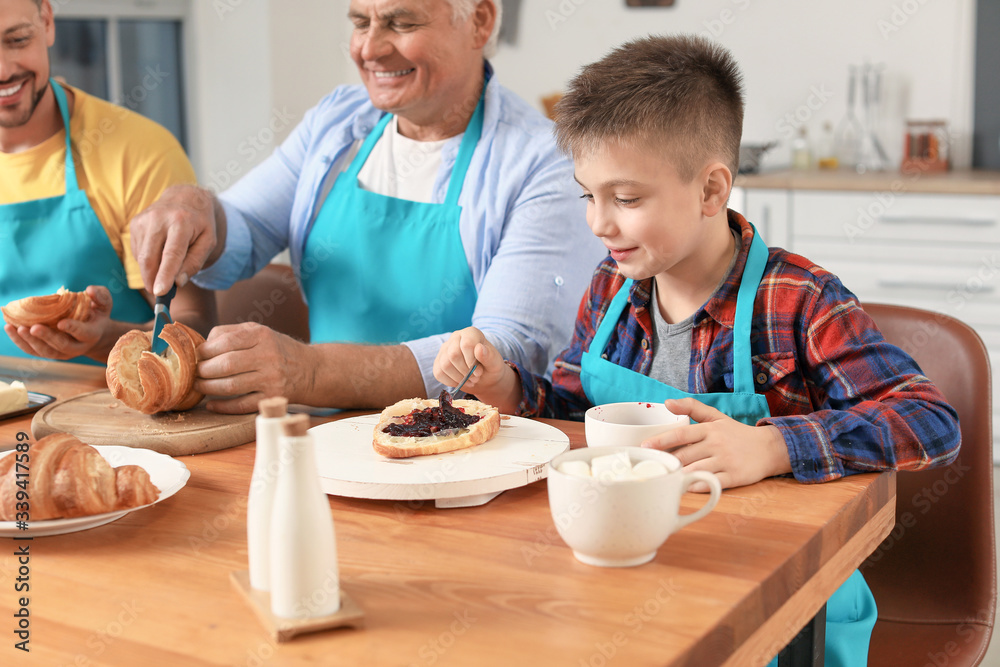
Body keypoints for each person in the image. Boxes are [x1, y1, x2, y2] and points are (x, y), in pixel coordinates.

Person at [432, 35, 960, 666]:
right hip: (644, 579)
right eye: (588, 195)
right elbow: (573, 408)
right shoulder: (612, 286)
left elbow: (931, 423)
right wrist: (509, 391)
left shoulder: (797, 299)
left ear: (712, 192)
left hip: (782, 595)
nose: (599, 224)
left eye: (626, 199)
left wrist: (773, 444)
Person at [129, 0, 604, 414]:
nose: (369, 49)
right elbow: (245, 226)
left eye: (400, 23)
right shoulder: (338, 121)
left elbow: (509, 350)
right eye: (360, 22)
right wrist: (193, 206)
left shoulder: (544, 159)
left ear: (480, 21)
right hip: (323, 437)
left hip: (468, 452)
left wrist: (308, 373)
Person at [0, 0, 214, 365]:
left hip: (114, 413)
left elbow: (198, 325)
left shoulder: (140, 151)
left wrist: (103, 340)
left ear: (47, 22)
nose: (3, 70)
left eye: (17, 40)